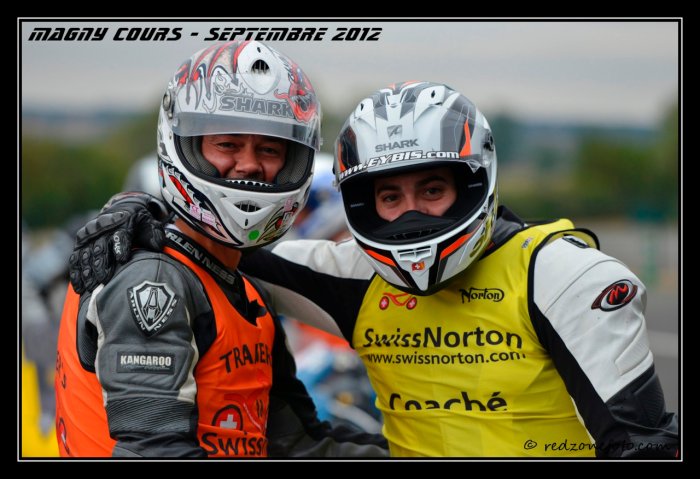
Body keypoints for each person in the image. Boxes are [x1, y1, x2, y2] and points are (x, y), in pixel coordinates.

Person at [68, 81, 678, 458]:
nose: (409, 213)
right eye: (390, 197)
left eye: (432, 189)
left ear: (473, 183)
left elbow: (644, 445)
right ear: (363, 204)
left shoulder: (562, 275)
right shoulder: (352, 275)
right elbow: (218, 242)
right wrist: (140, 208)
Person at [54, 41, 387, 458]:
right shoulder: (155, 280)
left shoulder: (246, 288)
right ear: (185, 145)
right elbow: (152, 451)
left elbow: (298, 445)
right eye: (228, 144)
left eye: (269, 149)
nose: (248, 164)